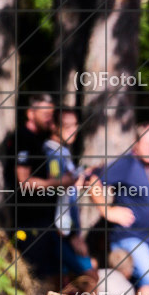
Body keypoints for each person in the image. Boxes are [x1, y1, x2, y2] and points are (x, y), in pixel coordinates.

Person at [86, 123, 149, 295]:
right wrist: (107, 211)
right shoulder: (127, 163)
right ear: (137, 144)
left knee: (135, 285)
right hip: (127, 237)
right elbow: (93, 179)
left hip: (147, 241)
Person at [6, 94, 74, 283]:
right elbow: (24, 181)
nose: (49, 117)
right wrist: (61, 182)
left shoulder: (42, 141)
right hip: (29, 222)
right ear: (30, 113)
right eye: (45, 113)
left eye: (51, 113)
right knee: (36, 278)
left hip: (47, 222)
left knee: (54, 276)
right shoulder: (23, 138)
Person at [43, 108, 93, 278]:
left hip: (66, 230)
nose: (73, 130)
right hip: (60, 231)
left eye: (75, 125)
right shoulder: (52, 152)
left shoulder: (63, 152)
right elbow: (55, 179)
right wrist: (73, 235)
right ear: (54, 126)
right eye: (67, 126)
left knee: (65, 283)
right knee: (89, 277)